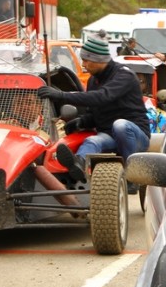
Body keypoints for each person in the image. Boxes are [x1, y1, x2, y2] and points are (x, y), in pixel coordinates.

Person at [36, 31, 150, 186]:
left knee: (120, 125)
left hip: (135, 136)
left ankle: (131, 176)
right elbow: (95, 112)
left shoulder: (124, 76)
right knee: (92, 141)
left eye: (86, 60)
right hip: (109, 134)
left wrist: (62, 95)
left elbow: (102, 97)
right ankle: (78, 166)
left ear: (99, 60)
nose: (83, 65)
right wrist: (80, 122)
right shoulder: (92, 81)